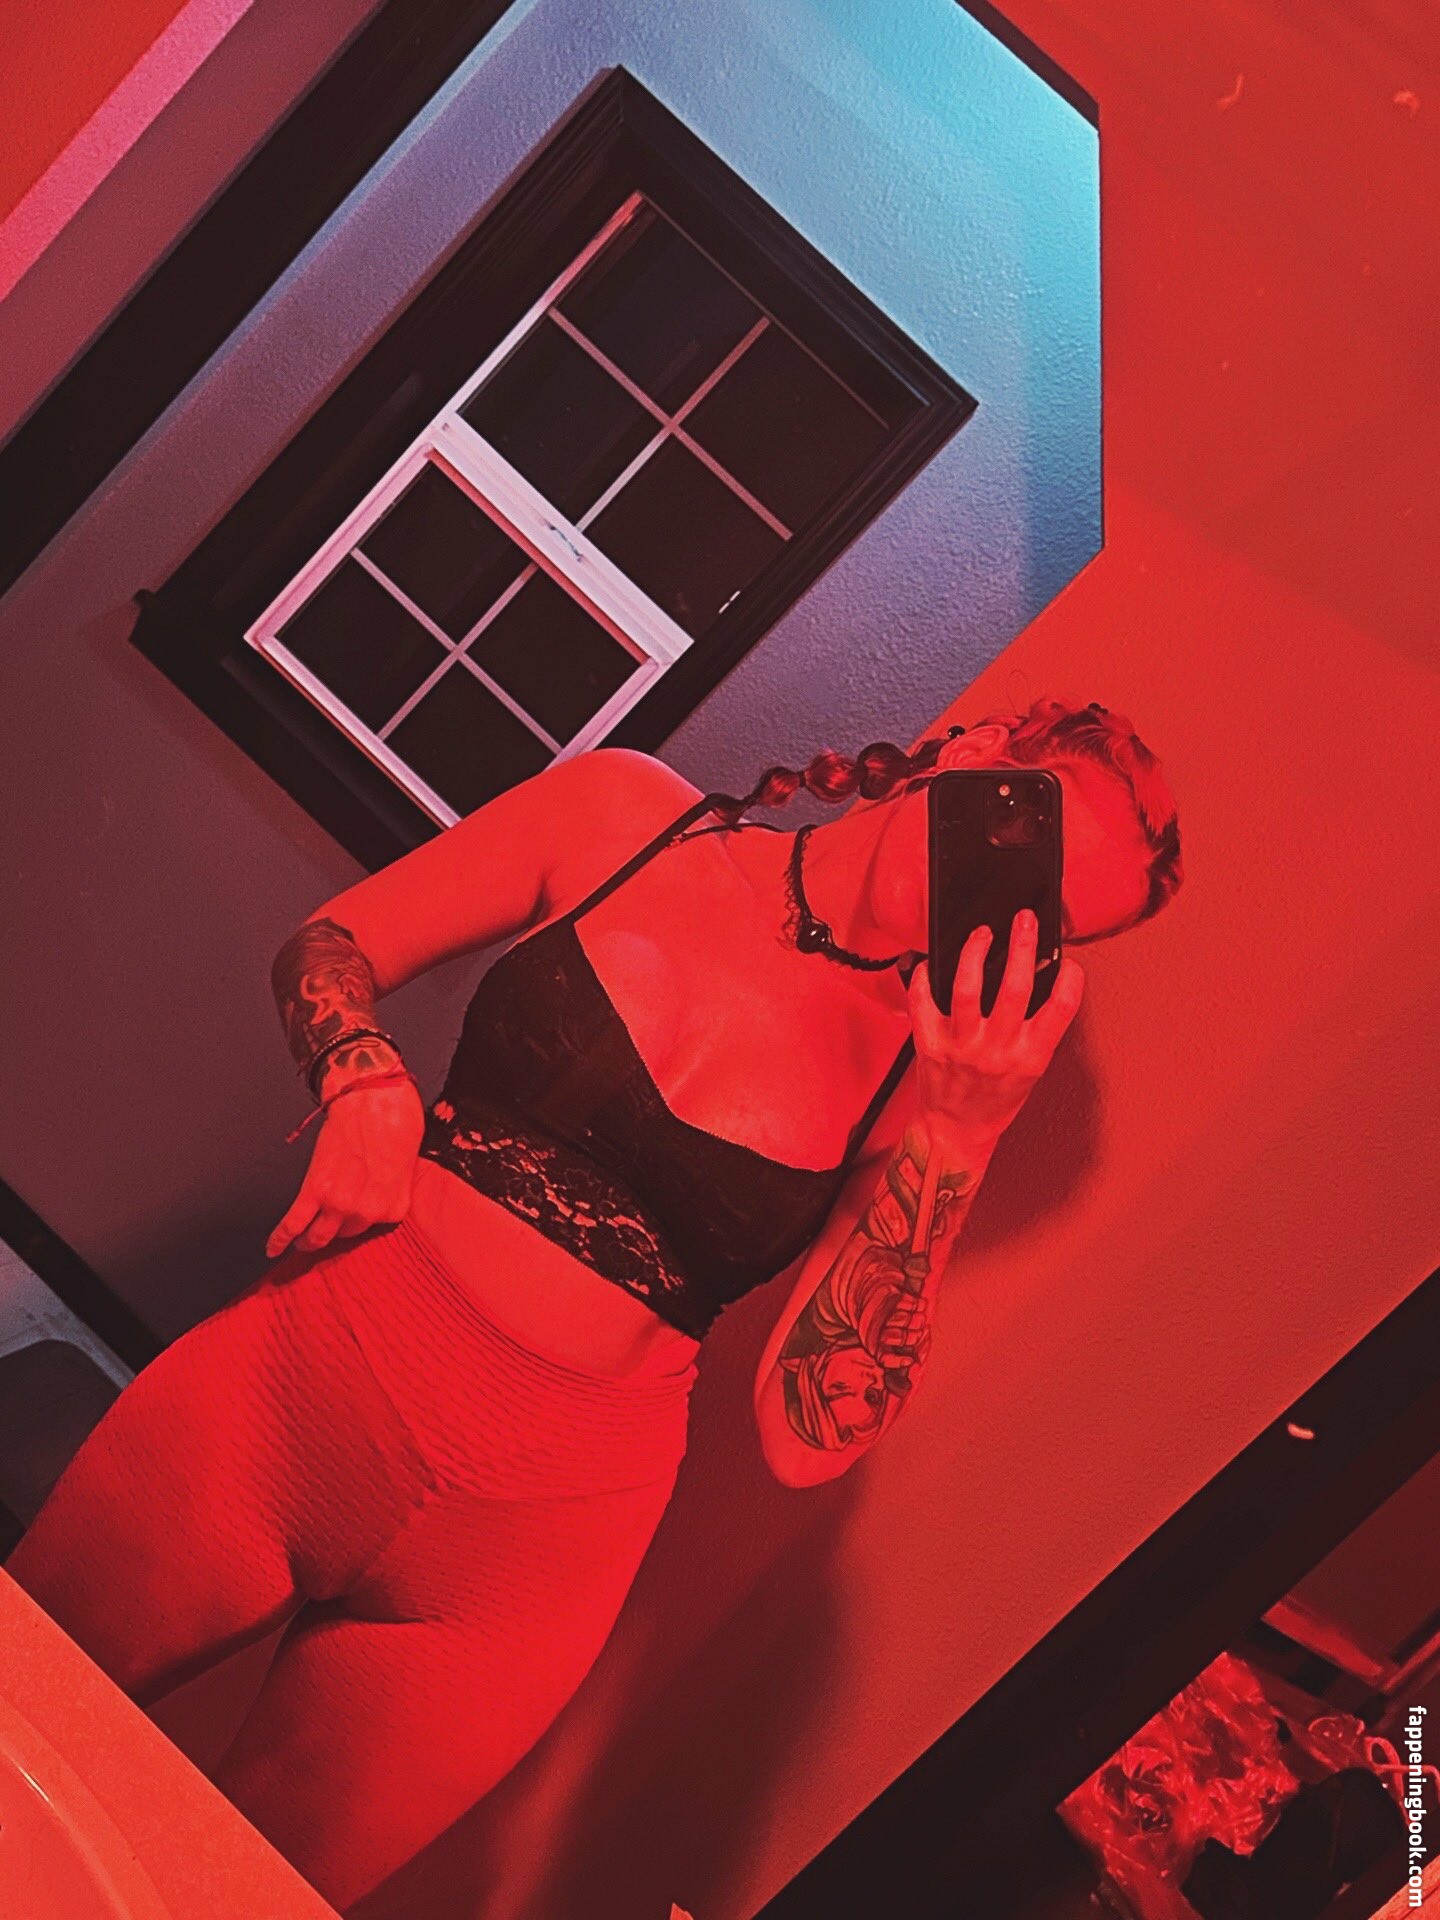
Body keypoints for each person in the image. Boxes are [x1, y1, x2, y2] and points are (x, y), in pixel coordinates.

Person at [5, 695, 1182, 1910]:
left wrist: (960, 1135)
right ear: (979, 750)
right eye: (1032, 839)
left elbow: (805, 1437)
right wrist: (362, 1079)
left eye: (1052, 919)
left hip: (521, 1564)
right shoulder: (627, 817)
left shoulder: (921, 1082)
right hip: (299, 1379)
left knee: (226, 1899)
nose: (1009, 904)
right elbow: (331, 943)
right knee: (18, 1713)